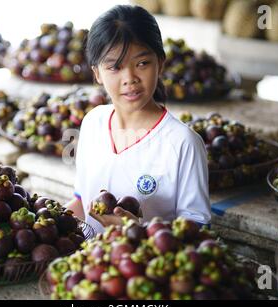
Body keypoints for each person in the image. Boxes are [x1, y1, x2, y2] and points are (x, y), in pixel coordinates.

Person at [65, 4, 211, 234]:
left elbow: (198, 230)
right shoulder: (93, 123)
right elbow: (82, 204)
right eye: (114, 67)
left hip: (145, 267)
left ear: (160, 64)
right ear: (97, 74)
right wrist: (49, 223)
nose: (130, 79)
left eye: (142, 63)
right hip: (91, 266)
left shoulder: (183, 143)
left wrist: (137, 229)